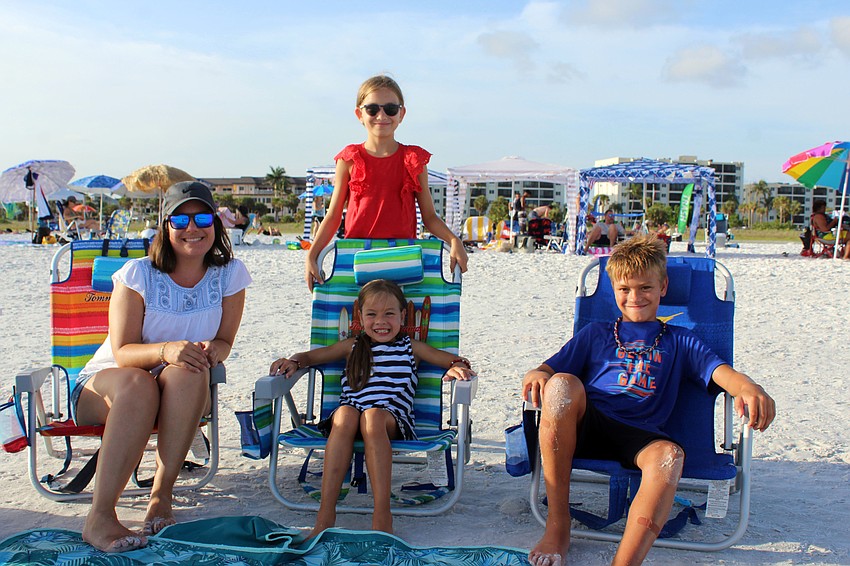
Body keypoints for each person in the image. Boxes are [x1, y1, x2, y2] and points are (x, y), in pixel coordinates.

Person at [522, 235, 775, 566]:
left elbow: (722, 373)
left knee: (669, 456)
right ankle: (558, 526)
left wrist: (749, 387)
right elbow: (544, 370)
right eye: (624, 289)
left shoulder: (680, 340)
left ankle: (625, 563)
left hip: (641, 434)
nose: (634, 297)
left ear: (663, 287)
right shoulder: (595, 333)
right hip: (589, 423)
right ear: (613, 290)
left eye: (645, 288)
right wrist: (537, 375)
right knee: (560, 384)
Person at [73, 181, 251, 553]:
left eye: (202, 217)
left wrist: (211, 349)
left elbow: (225, 342)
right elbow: (122, 352)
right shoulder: (138, 274)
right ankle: (100, 516)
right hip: (108, 388)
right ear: (164, 226)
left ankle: (161, 494)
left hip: (181, 390)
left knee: (192, 369)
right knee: (139, 383)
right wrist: (167, 349)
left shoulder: (230, 275)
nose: (192, 228)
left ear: (216, 224)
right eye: (179, 219)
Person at [269, 279, 475, 537]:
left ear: (403, 316)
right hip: (351, 417)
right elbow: (311, 357)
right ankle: (325, 515)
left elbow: (451, 359)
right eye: (372, 314)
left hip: (391, 419)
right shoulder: (351, 346)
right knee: (344, 413)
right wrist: (293, 362)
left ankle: (382, 515)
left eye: (389, 314)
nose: (381, 321)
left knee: (373, 416)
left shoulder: (411, 347)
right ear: (360, 316)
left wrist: (457, 366)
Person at [304, 75, 468, 290]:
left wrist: (454, 240)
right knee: (360, 320)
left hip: (401, 257)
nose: (381, 115)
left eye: (390, 108)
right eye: (372, 109)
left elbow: (429, 216)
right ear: (359, 114)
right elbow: (334, 215)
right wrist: (312, 254)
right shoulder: (349, 159)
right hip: (357, 255)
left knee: (398, 320)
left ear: (402, 114)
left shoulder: (413, 159)